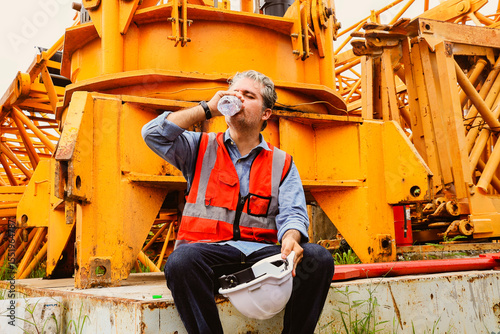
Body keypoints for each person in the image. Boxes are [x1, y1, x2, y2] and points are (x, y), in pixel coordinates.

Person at [142, 70, 334, 334]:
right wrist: (207, 108)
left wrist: (291, 237)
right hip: (210, 256)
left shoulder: (282, 163)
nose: (239, 99)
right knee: (180, 261)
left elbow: (293, 213)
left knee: (319, 258)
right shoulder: (198, 147)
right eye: (235, 93)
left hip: (263, 258)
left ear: (266, 113)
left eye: (248, 95)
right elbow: (153, 133)